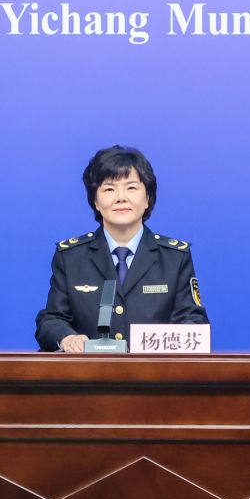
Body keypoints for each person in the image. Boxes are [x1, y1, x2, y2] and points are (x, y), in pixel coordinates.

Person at [36, 145, 208, 352]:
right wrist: (67, 338)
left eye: (131, 188)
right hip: (90, 371)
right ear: (95, 201)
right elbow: (51, 320)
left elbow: (193, 322)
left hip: (153, 371)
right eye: (109, 189)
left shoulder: (174, 257)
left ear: (147, 198)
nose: (121, 197)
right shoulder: (71, 257)